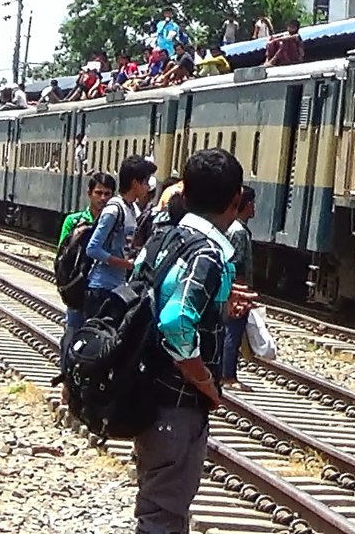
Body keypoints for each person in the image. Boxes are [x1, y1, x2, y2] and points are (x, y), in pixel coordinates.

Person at [131, 148, 257, 532]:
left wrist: (217, 303)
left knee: (158, 507)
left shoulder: (164, 237)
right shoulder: (207, 253)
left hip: (147, 391)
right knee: (164, 515)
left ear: (184, 194)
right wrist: (203, 380)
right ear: (235, 200)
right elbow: (175, 321)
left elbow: (147, 293)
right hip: (176, 403)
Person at [58, 172, 116, 370]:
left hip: (101, 289)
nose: (103, 198)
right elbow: (62, 258)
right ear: (89, 193)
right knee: (73, 331)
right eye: (98, 193)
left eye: (107, 194)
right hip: (78, 289)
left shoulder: (115, 222)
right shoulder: (73, 221)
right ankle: (66, 376)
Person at [84, 156, 157, 315]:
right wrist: (126, 264)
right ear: (135, 183)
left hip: (117, 287)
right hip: (101, 288)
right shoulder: (114, 210)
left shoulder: (131, 208)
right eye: (145, 182)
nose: (147, 187)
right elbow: (92, 249)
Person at [220, 186, 256, 390]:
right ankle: (228, 376)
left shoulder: (230, 227)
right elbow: (238, 263)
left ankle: (224, 374)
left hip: (229, 287)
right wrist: (242, 294)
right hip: (237, 289)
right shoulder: (240, 232)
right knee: (233, 331)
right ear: (248, 205)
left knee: (228, 331)